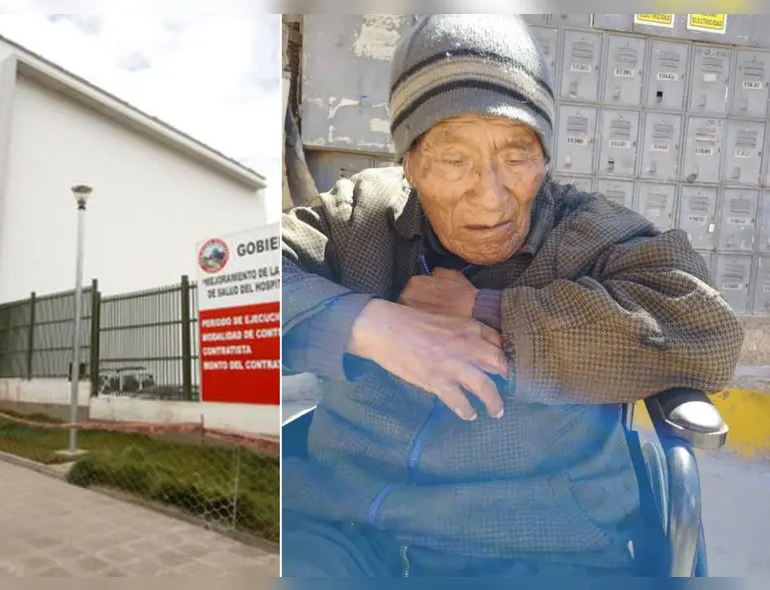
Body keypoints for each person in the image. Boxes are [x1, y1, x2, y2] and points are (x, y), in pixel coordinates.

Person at [280, 14, 744, 578]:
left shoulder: (590, 234)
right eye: (455, 161)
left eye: (517, 157)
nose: (492, 198)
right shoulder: (361, 218)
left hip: (536, 550)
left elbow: (706, 330)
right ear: (410, 162)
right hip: (346, 535)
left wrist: (489, 314)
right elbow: (223, 289)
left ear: (545, 156)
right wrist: (376, 327)